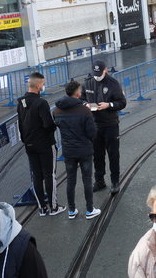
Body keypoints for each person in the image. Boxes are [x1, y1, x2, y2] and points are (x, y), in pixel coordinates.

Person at [17, 72, 65, 216]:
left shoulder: (21, 102)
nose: (43, 86)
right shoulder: (41, 103)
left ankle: (42, 208)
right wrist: (55, 125)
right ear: (38, 85)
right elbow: (48, 124)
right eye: (43, 84)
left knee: (36, 176)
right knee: (49, 174)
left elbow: (20, 123)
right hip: (45, 144)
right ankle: (54, 207)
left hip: (29, 145)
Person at [53, 81, 101, 220]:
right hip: (84, 149)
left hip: (68, 150)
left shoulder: (56, 111)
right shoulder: (84, 110)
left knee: (70, 180)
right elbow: (92, 132)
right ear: (77, 92)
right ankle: (90, 209)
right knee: (87, 179)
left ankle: (71, 210)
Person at [81, 60, 127, 194]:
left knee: (113, 154)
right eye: (95, 73)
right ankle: (99, 180)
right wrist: (85, 105)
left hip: (110, 124)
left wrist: (109, 105)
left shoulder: (113, 84)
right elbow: (81, 98)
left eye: (99, 73)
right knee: (97, 154)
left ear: (105, 70)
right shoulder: (88, 82)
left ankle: (115, 181)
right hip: (94, 125)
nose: (97, 76)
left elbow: (122, 102)